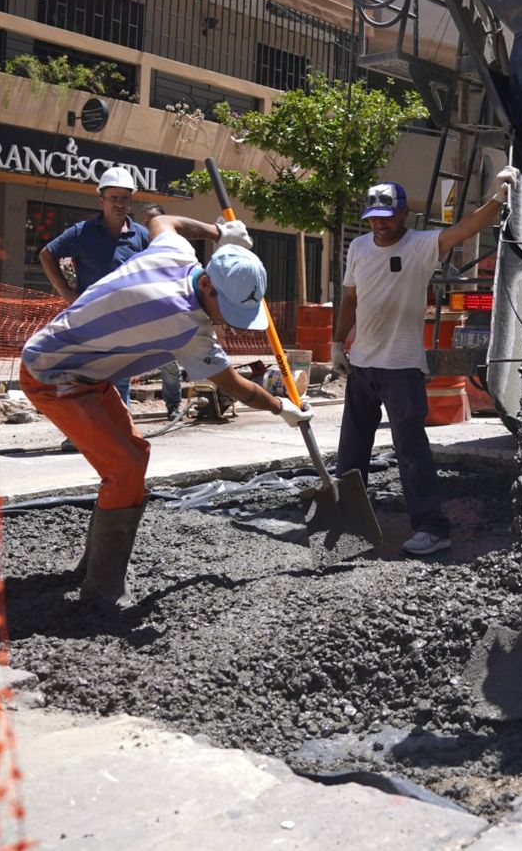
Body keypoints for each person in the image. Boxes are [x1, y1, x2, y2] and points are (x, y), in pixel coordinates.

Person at [20, 212, 312, 614]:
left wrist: (218, 232)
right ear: (206, 284)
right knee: (123, 468)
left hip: (87, 372)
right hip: (53, 373)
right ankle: (102, 590)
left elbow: (162, 220)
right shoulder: (188, 328)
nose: (229, 321)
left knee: (135, 457)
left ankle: (92, 567)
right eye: (225, 308)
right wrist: (282, 407)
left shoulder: (176, 254)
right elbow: (235, 387)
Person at [332, 168, 517, 556]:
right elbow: (350, 299)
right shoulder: (359, 248)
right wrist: (336, 343)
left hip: (402, 368)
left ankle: (433, 527)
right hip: (362, 365)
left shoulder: (422, 245)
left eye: (388, 217)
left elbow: (467, 228)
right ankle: (348, 518)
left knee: (411, 450)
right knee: (351, 450)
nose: (380, 225)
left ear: (403, 215)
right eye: (374, 219)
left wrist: (499, 197)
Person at [38, 166, 148, 410]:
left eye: (125, 198)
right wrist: (66, 293)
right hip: (90, 320)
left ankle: (120, 438)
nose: (119, 204)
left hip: (125, 322)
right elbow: (47, 254)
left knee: (119, 384)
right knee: (87, 380)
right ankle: (83, 434)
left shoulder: (141, 236)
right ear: (101, 200)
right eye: (113, 198)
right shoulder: (82, 232)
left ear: (131, 202)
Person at [136, 202, 184, 421]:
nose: (149, 224)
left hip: (163, 313)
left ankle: (173, 406)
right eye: (146, 220)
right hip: (136, 313)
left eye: (153, 220)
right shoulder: (136, 243)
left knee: (169, 363)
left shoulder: (173, 246)